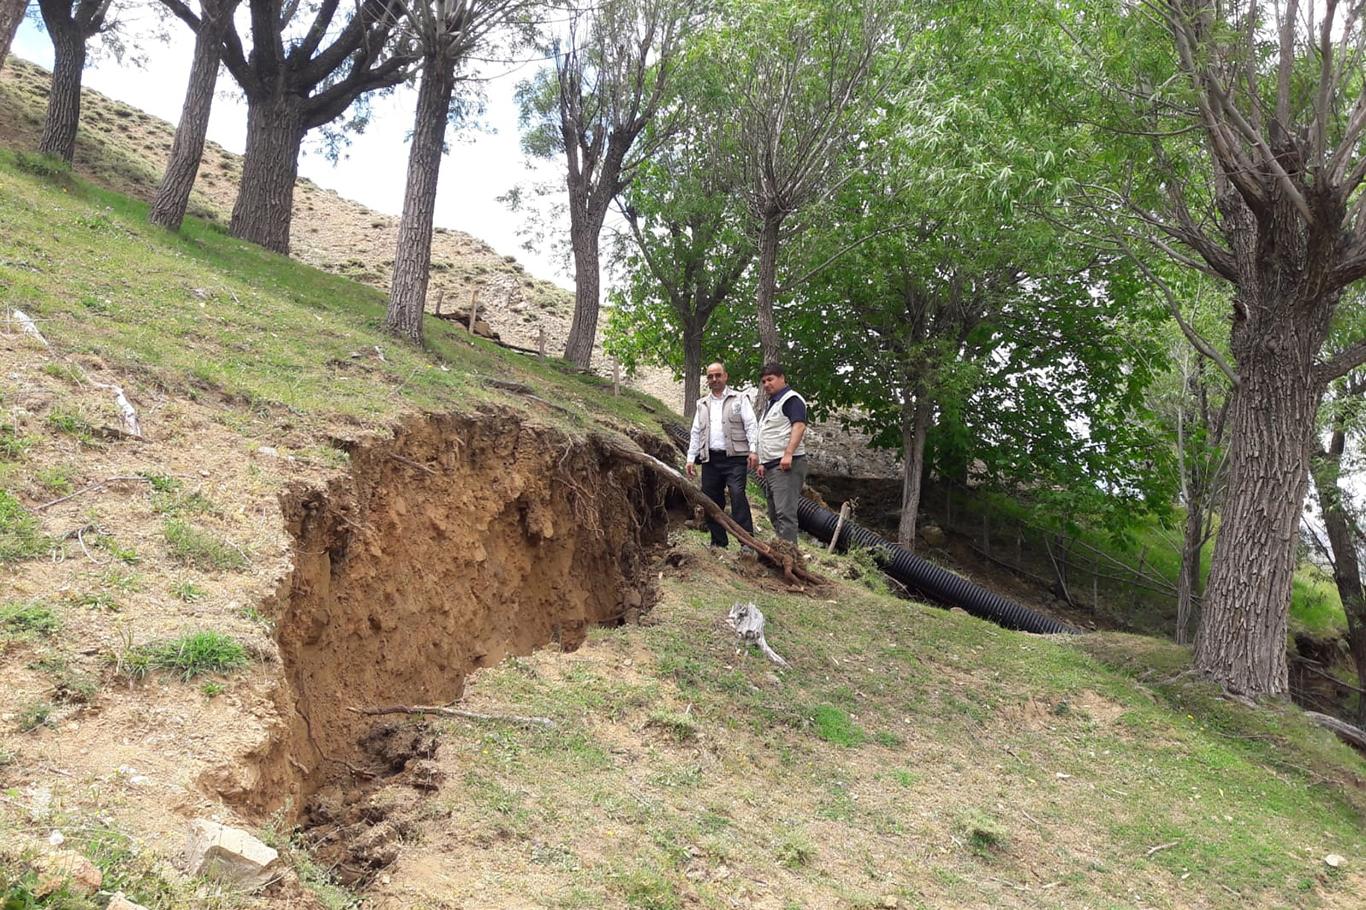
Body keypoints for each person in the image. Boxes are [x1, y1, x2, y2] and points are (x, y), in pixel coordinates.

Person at [685, 362, 758, 548]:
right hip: (710, 459)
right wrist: (691, 458)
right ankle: (718, 542)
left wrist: (753, 450)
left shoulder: (739, 399)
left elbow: (751, 424)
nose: (714, 379)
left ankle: (747, 543)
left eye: (718, 375)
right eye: (710, 376)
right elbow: (696, 432)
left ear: (726, 376)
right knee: (711, 500)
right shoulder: (702, 404)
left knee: (737, 494)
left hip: (735, 458)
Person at [755, 362, 808, 544]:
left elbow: (799, 426)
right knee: (774, 513)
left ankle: (789, 555)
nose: (766, 384)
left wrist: (788, 454)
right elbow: (770, 433)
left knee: (785, 513)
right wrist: (763, 462)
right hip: (772, 466)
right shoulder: (773, 403)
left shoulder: (791, 400)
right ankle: (781, 550)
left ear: (782, 378)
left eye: (770, 379)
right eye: (764, 381)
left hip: (786, 465)